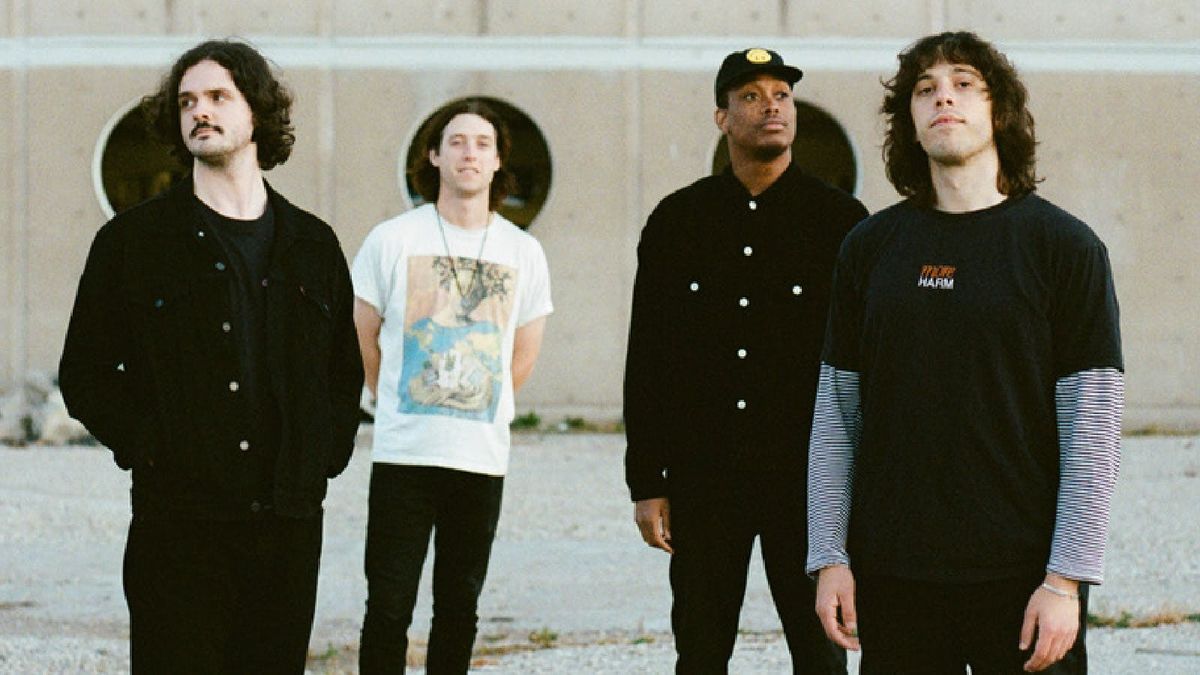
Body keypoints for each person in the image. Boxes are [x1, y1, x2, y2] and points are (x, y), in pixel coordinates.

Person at [807, 31, 1123, 674]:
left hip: (1024, 579)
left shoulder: (1063, 248)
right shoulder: (870, 248)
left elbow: (1093, 426)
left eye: (963, 84)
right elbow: (838, 415)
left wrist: (1066, 580)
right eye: (925, 89)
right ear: (909, 121)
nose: (942, 98)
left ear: (998, 110)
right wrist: (830, 558)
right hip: (895, 575)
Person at [59, 40, 364, 672]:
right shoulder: (133, 242)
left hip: (286, 528)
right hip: (178, 527)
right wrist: (150, 445)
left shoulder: (312, 244)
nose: (200, 111)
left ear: (257, 111)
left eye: (219, 96)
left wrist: (321, 458)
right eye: (187, 102)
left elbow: (341, 372)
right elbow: (86, 374)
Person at [624, 48, 868, 674]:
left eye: (782, 95)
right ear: (722, 117)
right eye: (752, 96)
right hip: (705, 475)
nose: (771, 107)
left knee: (821, 652)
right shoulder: (679, 220)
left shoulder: (841, 222)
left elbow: (863, 362)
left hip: (806, 479)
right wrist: (647, 481)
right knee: (701, 649)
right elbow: (649, 356)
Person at [352, 97, 553, 674]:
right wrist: (392, 397)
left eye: (482, 144)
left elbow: (523, 353)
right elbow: (364, 333)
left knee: (459, 606)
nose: (470, 153)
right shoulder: (392, 239)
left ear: (497, 162)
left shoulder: (523, 251)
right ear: (434, 156)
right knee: (388, 606)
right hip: (404, 455)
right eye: (457, 142)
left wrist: (481, 401)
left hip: (479, 457)